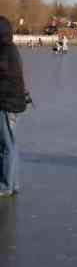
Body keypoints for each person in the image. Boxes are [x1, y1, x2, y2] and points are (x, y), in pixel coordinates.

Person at [0, 17, 31, 197]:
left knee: (7, 145)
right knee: (9, 144)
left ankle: (6, 185)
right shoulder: (10, 49)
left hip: (7, 103)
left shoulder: (5, 51)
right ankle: (13, 182)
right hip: (11, 102)